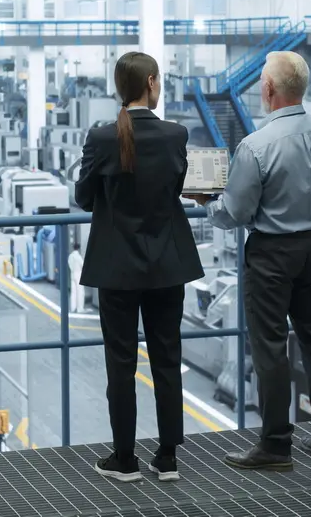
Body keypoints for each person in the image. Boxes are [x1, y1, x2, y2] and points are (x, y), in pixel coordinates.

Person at [198, 50, 311, 471]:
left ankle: (276, 445)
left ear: (267, 89)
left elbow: (235, 214)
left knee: (270, 346)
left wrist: (208, 202)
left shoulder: (256, 146)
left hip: (272, 256)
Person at [76, 51, 204, 483]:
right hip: (167, 266)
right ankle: (167, 458)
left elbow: (83, 197)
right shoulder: (176, 134)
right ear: (151, 83)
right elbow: (180, 186)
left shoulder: (102, 137)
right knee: (167, 359)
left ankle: (125, 459)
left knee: (121, 363)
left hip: (117, 269)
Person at [68, 242, 87, 313]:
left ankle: (73, 308)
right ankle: (80, 308)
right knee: (80, 292)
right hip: (78, 274)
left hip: (72, 274)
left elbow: (69, 264)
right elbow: (83, 265)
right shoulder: (78, 257)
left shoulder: (70, 256)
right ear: (79, 248)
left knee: (73, 292)